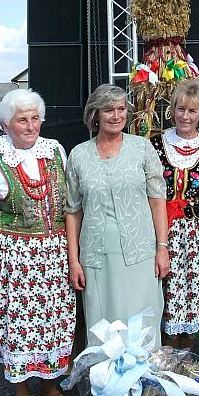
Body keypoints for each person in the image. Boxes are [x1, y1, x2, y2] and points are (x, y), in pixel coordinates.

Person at [0, 88, 77, 396]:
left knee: (53, 322)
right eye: (22, 120)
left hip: (54, 255)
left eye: (34, 119)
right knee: (17, 325)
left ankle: (49, 387)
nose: (30, 126)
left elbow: (69, 202)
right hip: (13, 258)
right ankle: (22, 393)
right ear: (6, 124)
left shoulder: (56, 151)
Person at [65, 84, 169, 345]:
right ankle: (106, 374)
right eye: (108, 110)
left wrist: (162, 248)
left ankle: (144, 373)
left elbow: (158, 202)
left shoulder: (142, 148)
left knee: (142, 330)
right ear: (95, 114)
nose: (116, 115)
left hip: (140, 256)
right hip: (96, 260)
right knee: (104, 333)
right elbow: (73, 211)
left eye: (121, 109)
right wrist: (74, 261)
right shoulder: (78, 155)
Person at [150, 79, 199, 349]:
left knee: (193, 304)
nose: (185, 116)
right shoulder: (155, 145)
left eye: (192, 111)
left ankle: (185, 360)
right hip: (163, 235)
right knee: (164, 302)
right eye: (181, 109)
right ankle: (164, 362)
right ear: (173, 110)